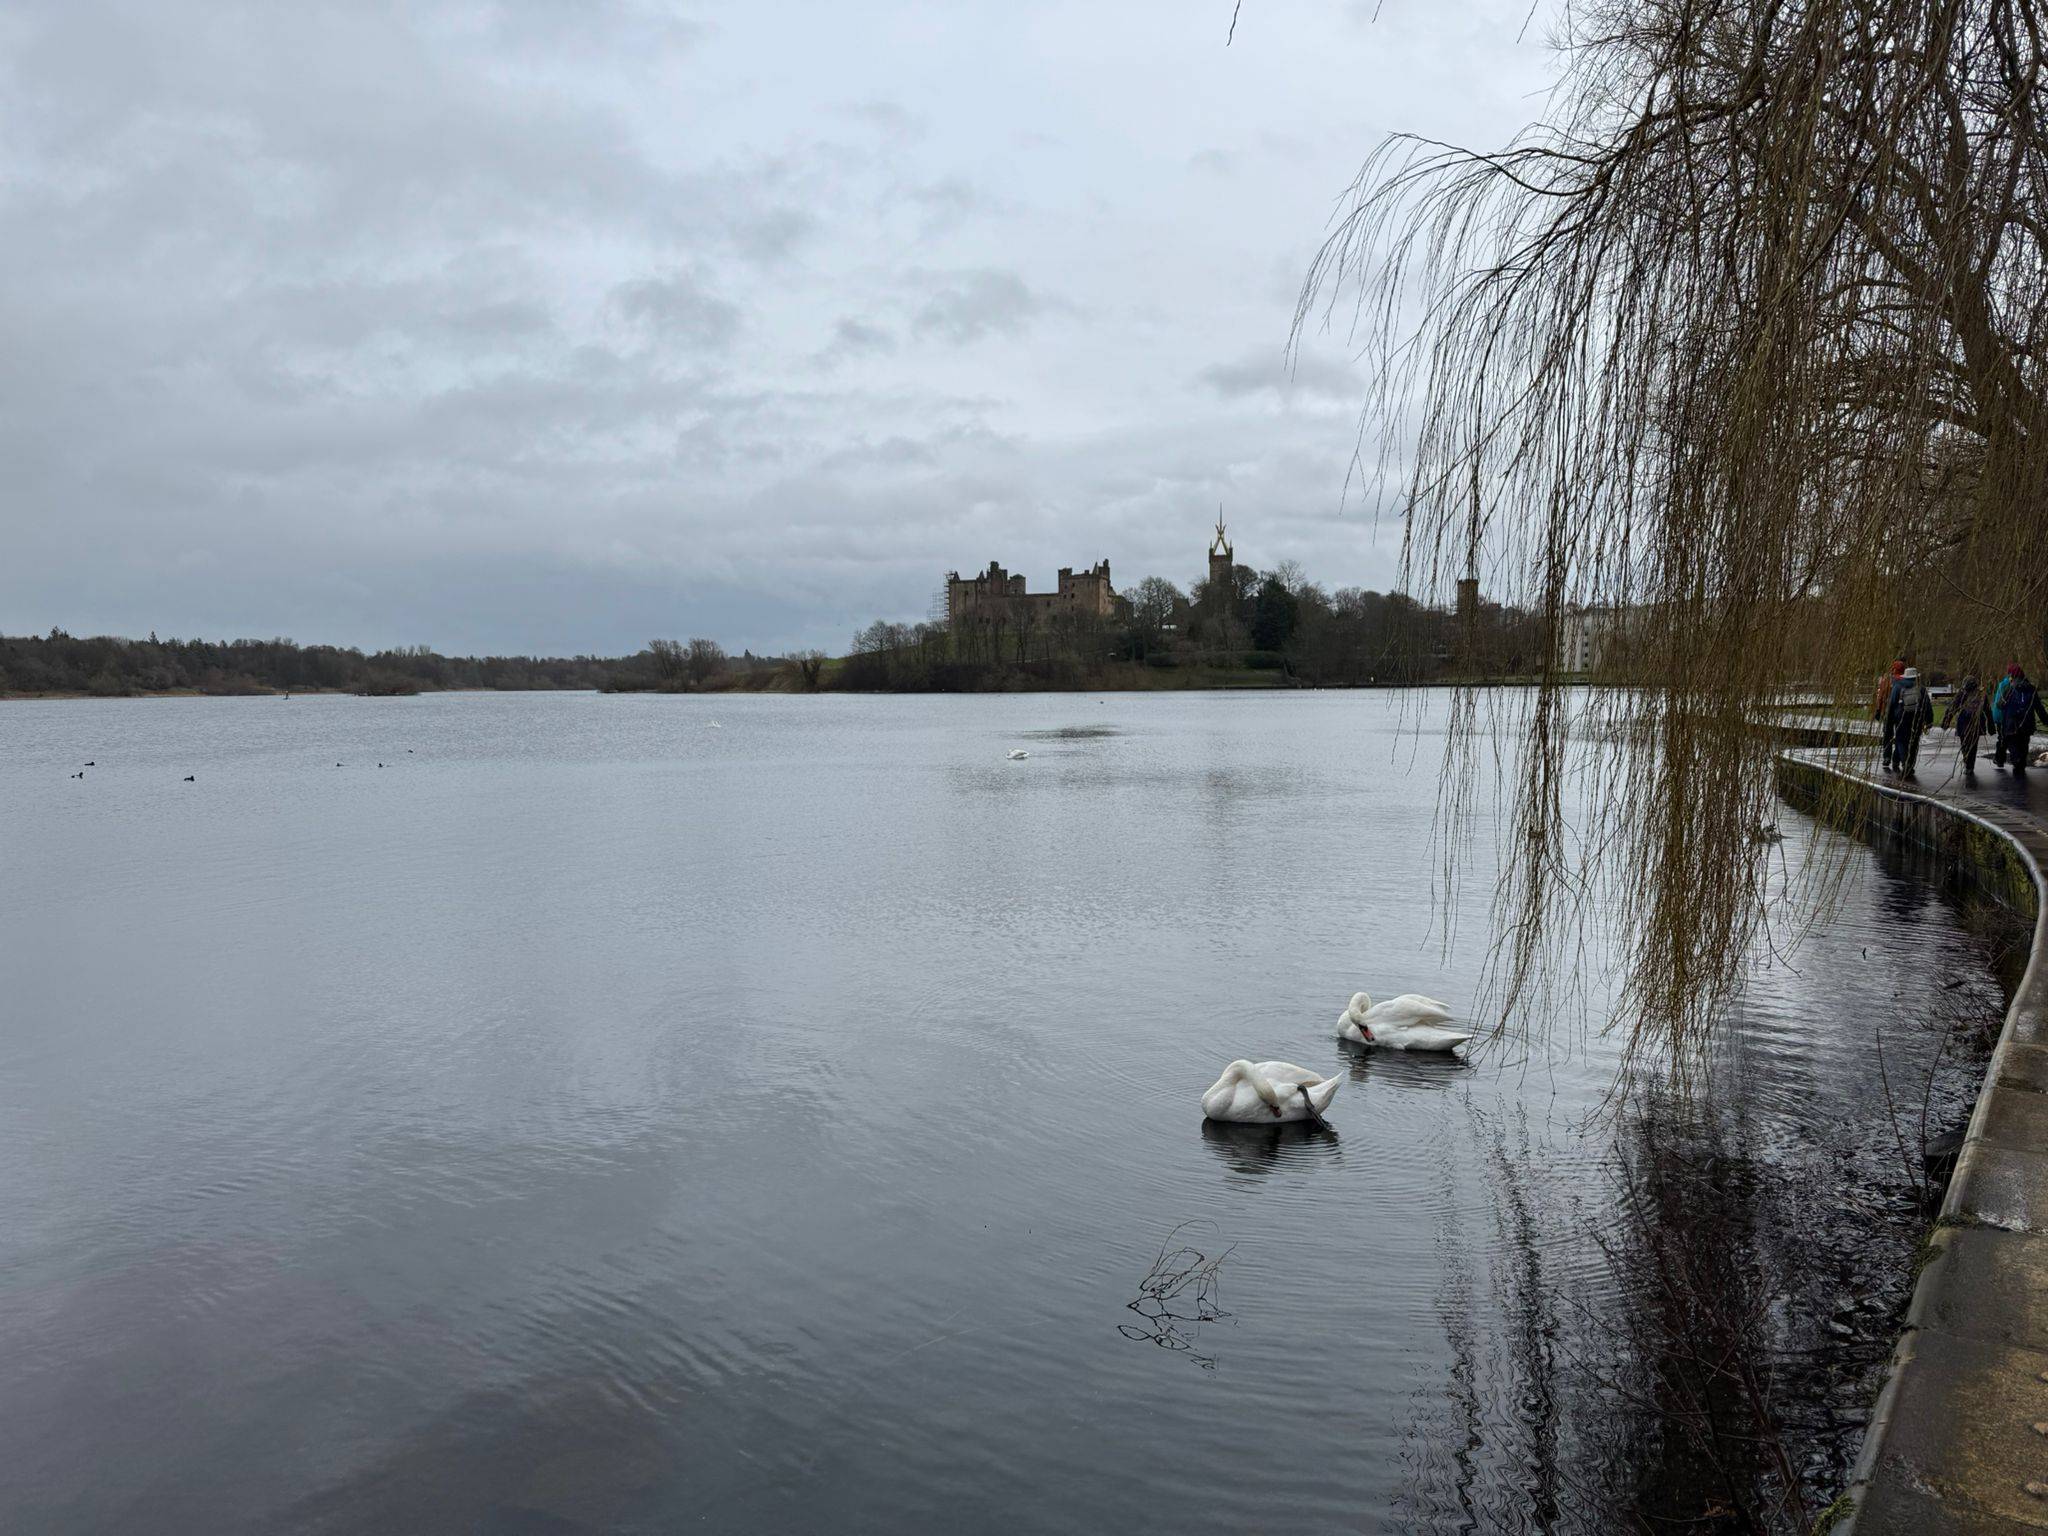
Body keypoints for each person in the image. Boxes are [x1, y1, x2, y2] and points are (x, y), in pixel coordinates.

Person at [1995, 666, 2047, 774]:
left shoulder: (2009, 689)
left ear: (2012, 676)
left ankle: (2017, 762)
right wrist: (2046, 721)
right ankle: (2021, 764)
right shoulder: (2031, 689)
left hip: (2011, 724)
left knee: (2013, 744)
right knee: (2024, 744)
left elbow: (2000, 705)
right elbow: (2039, 707)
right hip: (2026, 723)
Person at [1887, 666, 1933, 774]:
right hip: (1917, 719)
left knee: (1901, 741)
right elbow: (1927, 705)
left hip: (1901, 718)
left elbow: (1892, 705)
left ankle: (1905, 763)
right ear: (1916, 677)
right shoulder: (1920, 688)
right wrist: (1929, 721)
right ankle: (1907, 763)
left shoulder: (1897, 687)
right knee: (1914, 742)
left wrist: (1889, 721)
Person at [1946, 674, 1992, 774]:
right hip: (1977, 723)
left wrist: (1946, 721)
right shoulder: (1981, 694)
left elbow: (1952, 708)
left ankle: (1967, 762)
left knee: (1964, 744)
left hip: (1963, 723)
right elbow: (1988, 711)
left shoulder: (1961, 694)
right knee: (1973, 745)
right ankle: (1970, 765)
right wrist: (1991, 726)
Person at [1874, 659, 1904, 763]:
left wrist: (1878, 710)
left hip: (1888, 711)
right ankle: (1897, 756)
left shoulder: (1886, 680)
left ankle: (1887, 756)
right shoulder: (1905, 680)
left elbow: (1881, 696)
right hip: (1900, 711)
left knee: (1887, 734)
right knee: (1900, 734)